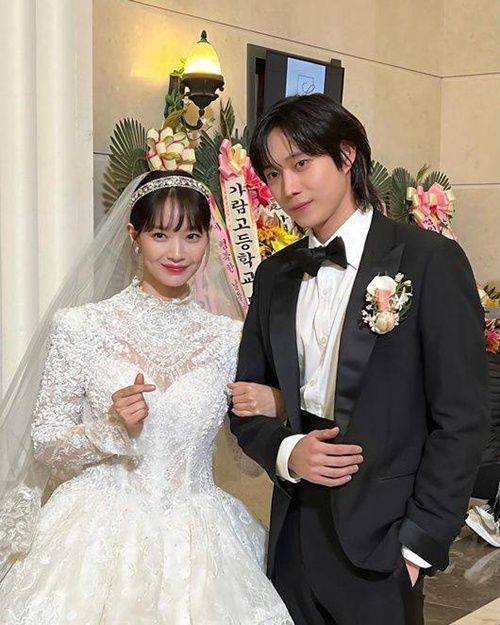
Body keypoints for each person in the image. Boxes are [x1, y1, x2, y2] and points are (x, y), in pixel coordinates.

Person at [229, 94, 489, 625]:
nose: (288, 188)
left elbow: (462, 419)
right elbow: (246, 402)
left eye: (302, 164)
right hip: (293, 536)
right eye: (273, 174)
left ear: (347, 156)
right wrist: (286, 451)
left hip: (384, 543)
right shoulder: (276, 274)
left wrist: (419, 543)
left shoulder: (428, 261)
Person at [0, 170, 293, 625]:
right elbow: (46, 444)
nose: (177, 253)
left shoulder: (231, 339)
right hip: (94, 539)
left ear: (207, 241)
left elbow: (246, 462)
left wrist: (274, 407)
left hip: (200, 541)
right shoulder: (80, 327)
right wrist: (109, 429)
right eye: (160, 235)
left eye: (192, 236)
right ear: (133, 236)